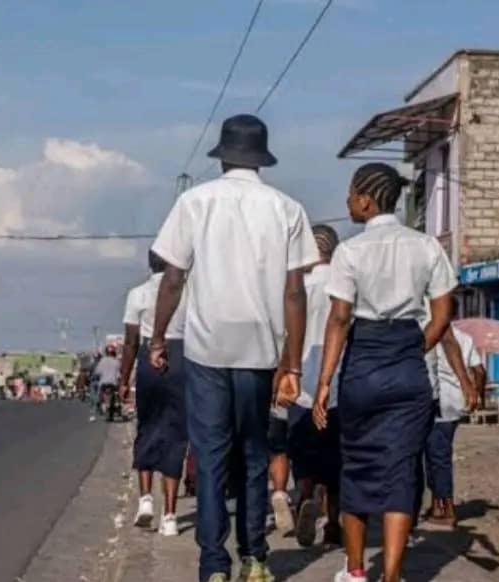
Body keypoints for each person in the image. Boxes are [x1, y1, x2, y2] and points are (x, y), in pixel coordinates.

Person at [149, 114, 318, 582]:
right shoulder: (287, 208)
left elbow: (174, 277)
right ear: (262, 158)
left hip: (206, 348)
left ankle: (213, 565)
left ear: (222, 155)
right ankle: (255, 558)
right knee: (254, 454)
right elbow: (294, 293)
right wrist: (293, 365)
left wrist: (159, 336)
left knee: (210, 456)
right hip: (261, 350)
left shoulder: (195, 202)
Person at [311, 163, 477, 582]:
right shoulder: (425, 247)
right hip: (407, 368)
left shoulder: (349, 251)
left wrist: (324, 383)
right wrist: (409, 350)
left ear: (366, 199)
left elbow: (339, 319)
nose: (347, 202)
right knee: (402, 469)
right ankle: (391, 574)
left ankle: (354, 571)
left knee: (357, 466)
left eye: (351, 194)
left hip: (362, 367)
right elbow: (443, 314)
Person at [267, 224, 341, 547]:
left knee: (303, 453)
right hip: (337, 383)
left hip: (299, 385)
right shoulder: (343, 284)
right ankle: (334, 523)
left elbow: (282, 336)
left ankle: (306, 495)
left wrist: (280, 375)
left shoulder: (297, 288)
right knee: (336, 459)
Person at [120, 250, 189, 537]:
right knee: (176, 433)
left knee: (147, 427)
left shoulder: (138, 294)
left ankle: (146, 499)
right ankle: (170, 515)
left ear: (150, 263)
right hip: (181, 357)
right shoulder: (188, 292)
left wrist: (124, 378)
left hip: (150, 355)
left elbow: (130, 341)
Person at [421, 315, 485, 527]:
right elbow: (479, 370)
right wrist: (478, 393)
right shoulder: (465, 338)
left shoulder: (431, 333)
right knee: (436, 453)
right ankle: (437, 503)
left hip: (438, 401)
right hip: (456, 402)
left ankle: (446, 507)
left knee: (437, 456)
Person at [92, 344, 121, 422]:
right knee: (116, 395)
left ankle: (100, 406)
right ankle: (116, 407)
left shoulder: (102, 361)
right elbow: (119, 375)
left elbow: (97, 372)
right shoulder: (117, 361)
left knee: (99, 394)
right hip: (113, 383)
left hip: (103, 383)